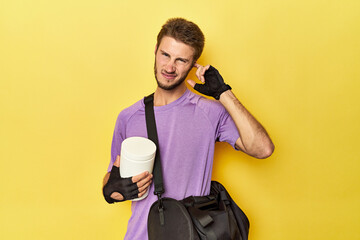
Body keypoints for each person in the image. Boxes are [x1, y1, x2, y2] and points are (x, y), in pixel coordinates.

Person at [102, 17, 274, 239]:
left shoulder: (209, 112)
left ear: (194, 63)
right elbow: (110, 179)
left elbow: (262, 148)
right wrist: (110, 189)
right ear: (155, 50)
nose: (170, 67)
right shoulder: (128, 117)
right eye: (165, 55)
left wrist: (223, 93)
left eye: (181, 60)